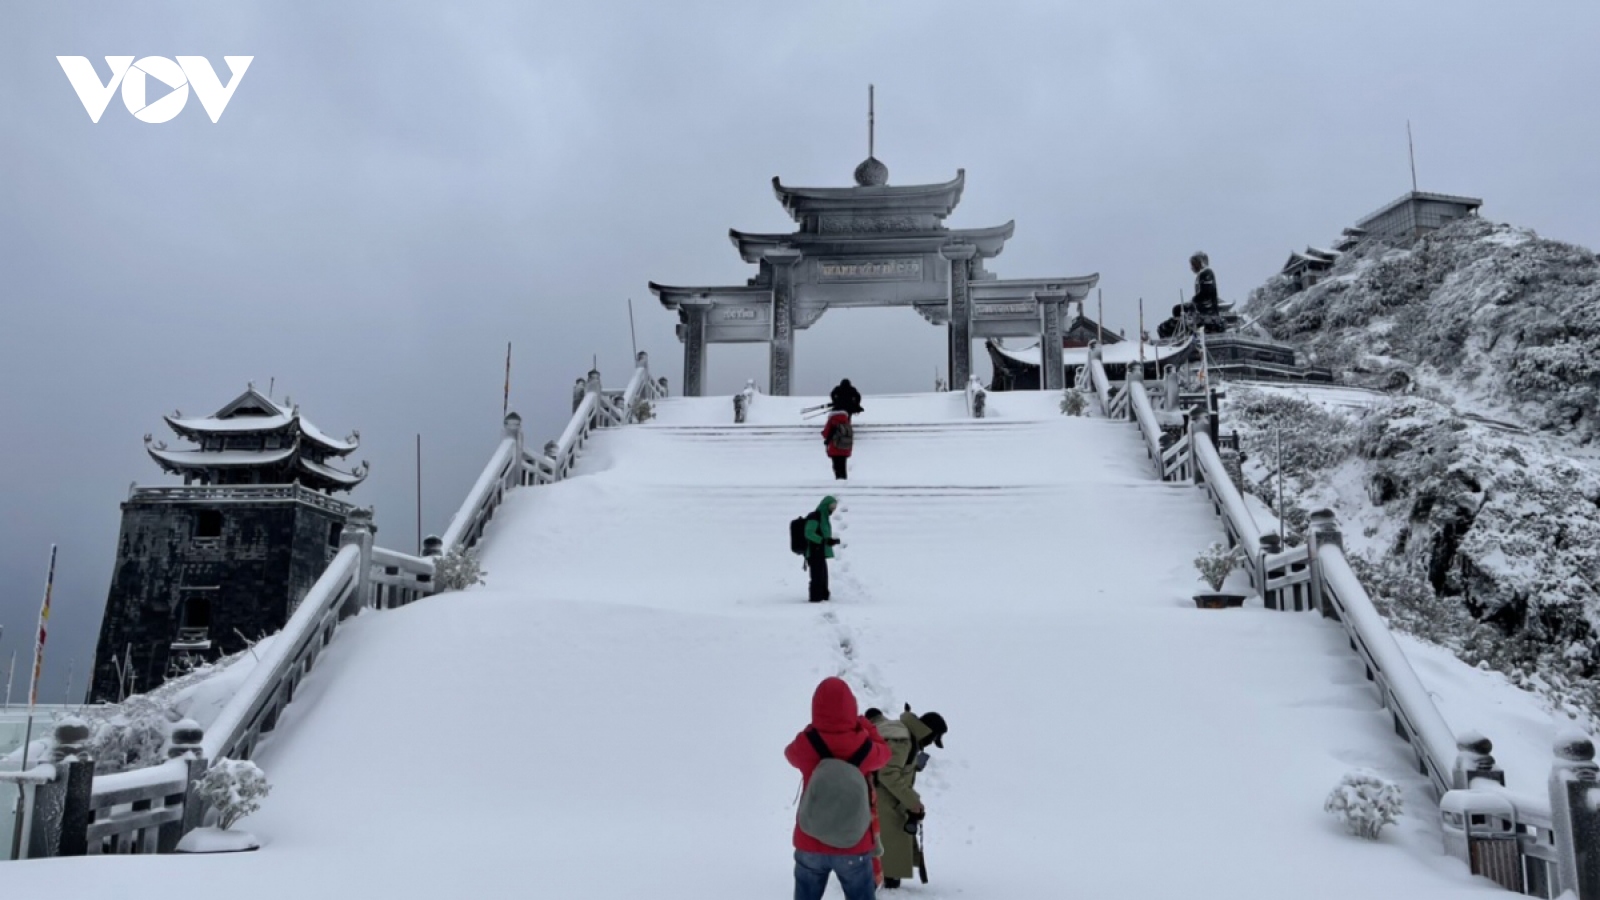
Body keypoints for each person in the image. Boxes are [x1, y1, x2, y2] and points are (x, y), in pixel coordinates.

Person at [785, 677, 892, 900]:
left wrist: (813, 728)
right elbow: (885, 752)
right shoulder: (863, 744)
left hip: (810, 840)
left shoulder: (808, 742)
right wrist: (865, 725)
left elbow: (790, 753)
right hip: (854, 843)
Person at [864, 706, 948, 888]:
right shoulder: (902, 740)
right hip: (883, 798)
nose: (931, 743)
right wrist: (913, 801)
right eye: (934, 739)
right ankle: (885, 882)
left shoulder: (901, 731)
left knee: (882, 841)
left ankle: (883, 877)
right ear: (930, 733)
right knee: (891, 838)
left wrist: (913, 767)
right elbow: (888, 774)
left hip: (877, 794)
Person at [803, 495, 841, 602]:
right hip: (814, 552)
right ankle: (816, 598)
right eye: (832, 507)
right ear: (825, 506)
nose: (833, 510)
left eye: (834, 508)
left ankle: (823, 596)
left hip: (820, 552)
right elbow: (809, 533)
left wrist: (830, 541)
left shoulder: (824, 517)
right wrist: (823, 541)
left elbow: (822, 535)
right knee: (817, 577)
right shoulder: (815, 516)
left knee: (823, 576)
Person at [822, 409, 853, 480]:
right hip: (845, 447)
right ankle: (844, 480)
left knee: (836, 466)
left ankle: (838, 481)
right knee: (843, 466)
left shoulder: (832, 420)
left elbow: (826, 433)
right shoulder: (846, 420)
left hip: (835, 447)